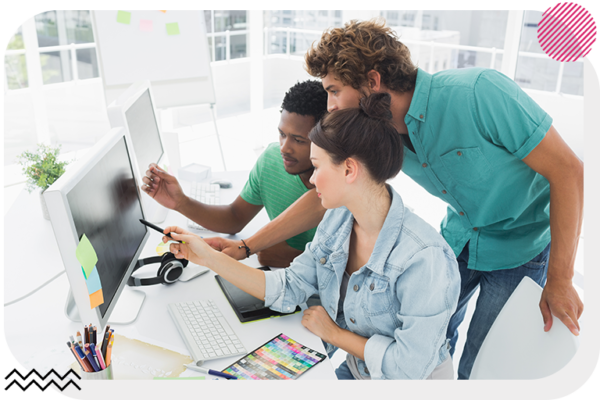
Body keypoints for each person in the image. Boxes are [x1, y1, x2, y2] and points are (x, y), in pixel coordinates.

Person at [203, 19, 584, 380]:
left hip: (522, 244)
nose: (330, 105)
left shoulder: (479, 93)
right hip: (462, 235)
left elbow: (568, 170)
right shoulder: (381, 130)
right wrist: (246, 246)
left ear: (372, 81)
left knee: (482, 365)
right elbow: (330, 195)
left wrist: (561, 277)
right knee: (431, 343)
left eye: (334, 91)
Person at [162, 92, 460, 380]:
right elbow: (290, 286)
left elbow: (409, 369)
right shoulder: (338, 219)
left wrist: (335, 335)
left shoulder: (424, 258)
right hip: (360, 369)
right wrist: (208, 257)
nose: (313, 179)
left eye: (317, 167)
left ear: (349, 170)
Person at [141, 80, 327, 267]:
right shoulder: (271, 160)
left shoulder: (340, 189)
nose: (284, 148)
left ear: (325, 139)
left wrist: (293, 258)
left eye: (298, 140)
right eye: (282, 134)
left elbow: (348, 265)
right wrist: (181, 202)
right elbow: (235, 217)